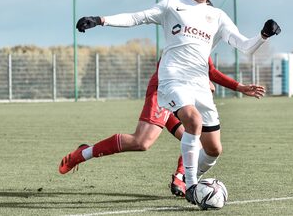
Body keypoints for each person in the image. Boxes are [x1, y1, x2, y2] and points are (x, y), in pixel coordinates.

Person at [74, 0, 281, 204]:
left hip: (199, 85)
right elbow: (136, 17)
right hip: (173, 78)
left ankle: (186, 177)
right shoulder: (172, 6)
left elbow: (245, 47)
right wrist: (101, 20)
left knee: (214, 149)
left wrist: (264, 35)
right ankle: (192, 187)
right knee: (192, 120)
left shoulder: (217, 16)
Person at [59, 55, 266, 197]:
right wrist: (209, 82)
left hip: (181, 96)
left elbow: (208, 69)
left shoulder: (203, 37)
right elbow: (191, 69)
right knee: (142, 142)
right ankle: (83, 153)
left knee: (197, 142)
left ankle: (180, 179)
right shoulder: (182, 31)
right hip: (165, 91)